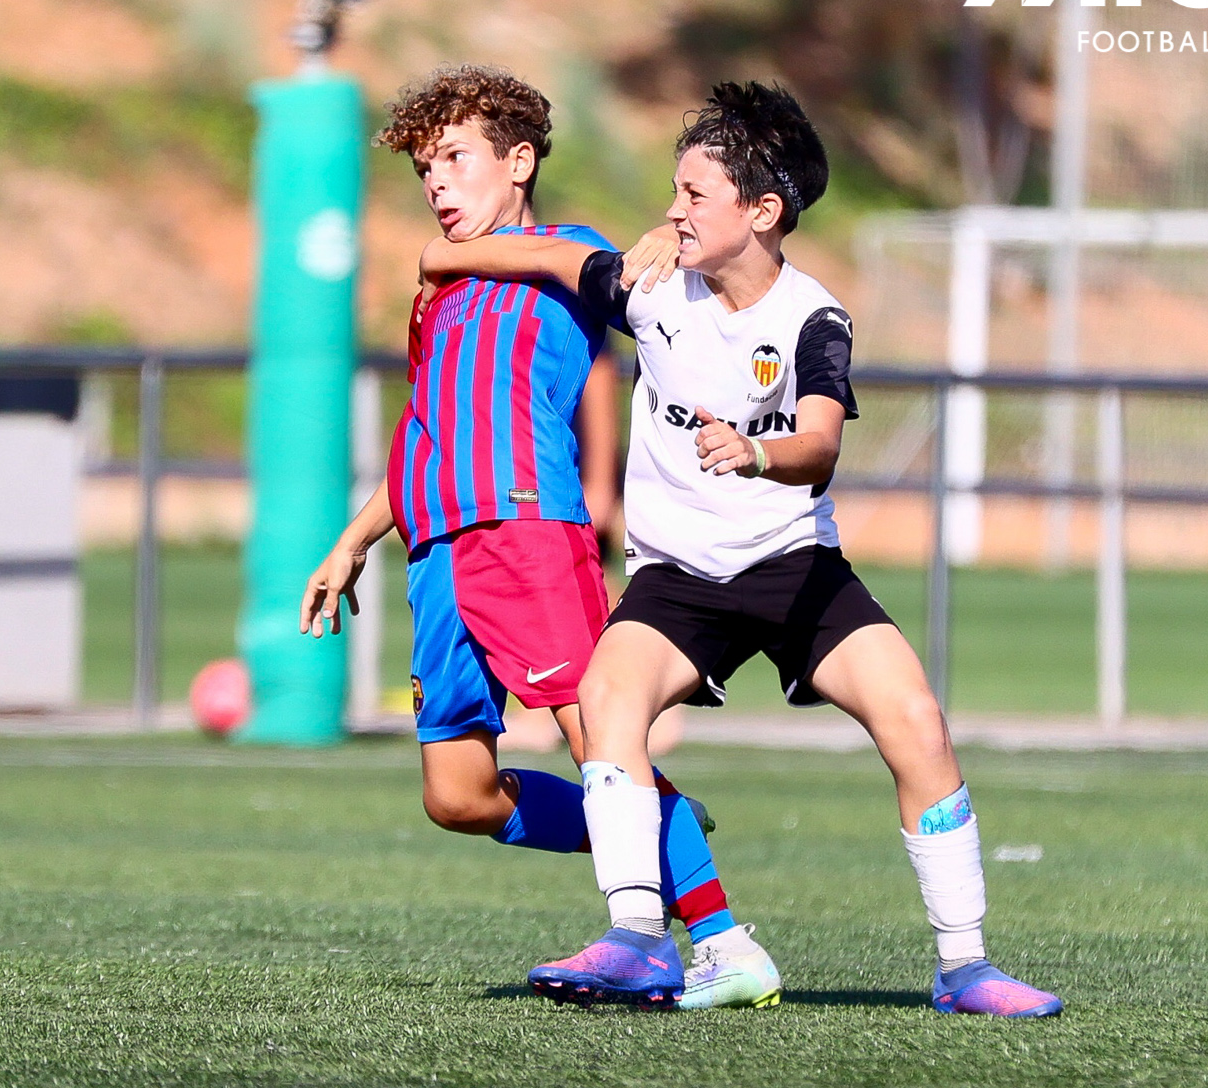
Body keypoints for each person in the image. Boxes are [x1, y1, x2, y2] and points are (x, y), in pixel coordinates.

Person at [416, 81, 1063, 1017]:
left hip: (793, 570)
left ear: (761, 213)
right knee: (608, 699)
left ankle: (966, 967)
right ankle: (639, 940)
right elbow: (551, 257)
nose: (673, 210)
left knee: (916, 720)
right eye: (673, 192)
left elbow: (820, 445)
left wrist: (758, 453)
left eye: (694, 195)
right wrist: (442, 254)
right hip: (679, 581)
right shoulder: (649, 290)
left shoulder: (813, 319)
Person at [300, 64, 779, 1009]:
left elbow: (677, 287)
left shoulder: (571, 253)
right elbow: (426, 427)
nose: (436, 183)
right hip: (435, 549)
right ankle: (653, 821)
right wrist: (354, 539)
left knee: (596, 734)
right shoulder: (439, 287)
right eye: (424, 169)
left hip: (524, 528)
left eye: (455, 159)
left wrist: (665, 239)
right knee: (457, 796)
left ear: (518, 162)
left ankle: (724, 943)